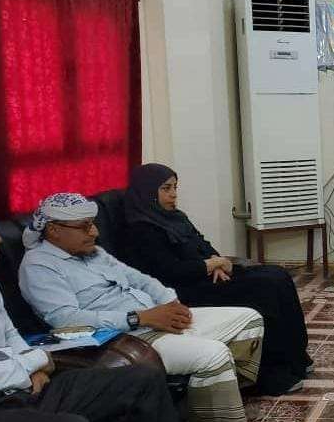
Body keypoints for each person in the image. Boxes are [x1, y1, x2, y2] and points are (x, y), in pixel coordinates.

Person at [0, 199, 231, 422]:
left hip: (26, 386)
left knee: (143, 380)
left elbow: (10, 336)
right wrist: (30, 364)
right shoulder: (38, 265)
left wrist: (33, 365)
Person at [18, 193, 263, 422]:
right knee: (213, 354)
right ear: (54, 230)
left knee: (249, 321)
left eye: (93, 224)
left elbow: (140, 279)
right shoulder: (38, 266)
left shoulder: (93, 252)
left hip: (155, 316)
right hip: (126, 339)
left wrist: (171, 303)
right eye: (85, 226)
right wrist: (140, 318)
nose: (95, 232)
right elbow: (66, 320)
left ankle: (218, 403)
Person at [121, 163, 311, 395]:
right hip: (184, 289)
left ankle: (296, 358)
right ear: (148, 192)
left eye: (175, 187)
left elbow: (202, 243)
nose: (173, 194)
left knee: (278, 276)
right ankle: (271, 376)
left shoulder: (175, 217)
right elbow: (169, 271)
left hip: (204, 276)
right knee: (265, 290)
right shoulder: (141, 229)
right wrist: (211, 265)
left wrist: (216, 260)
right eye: (166, 188)